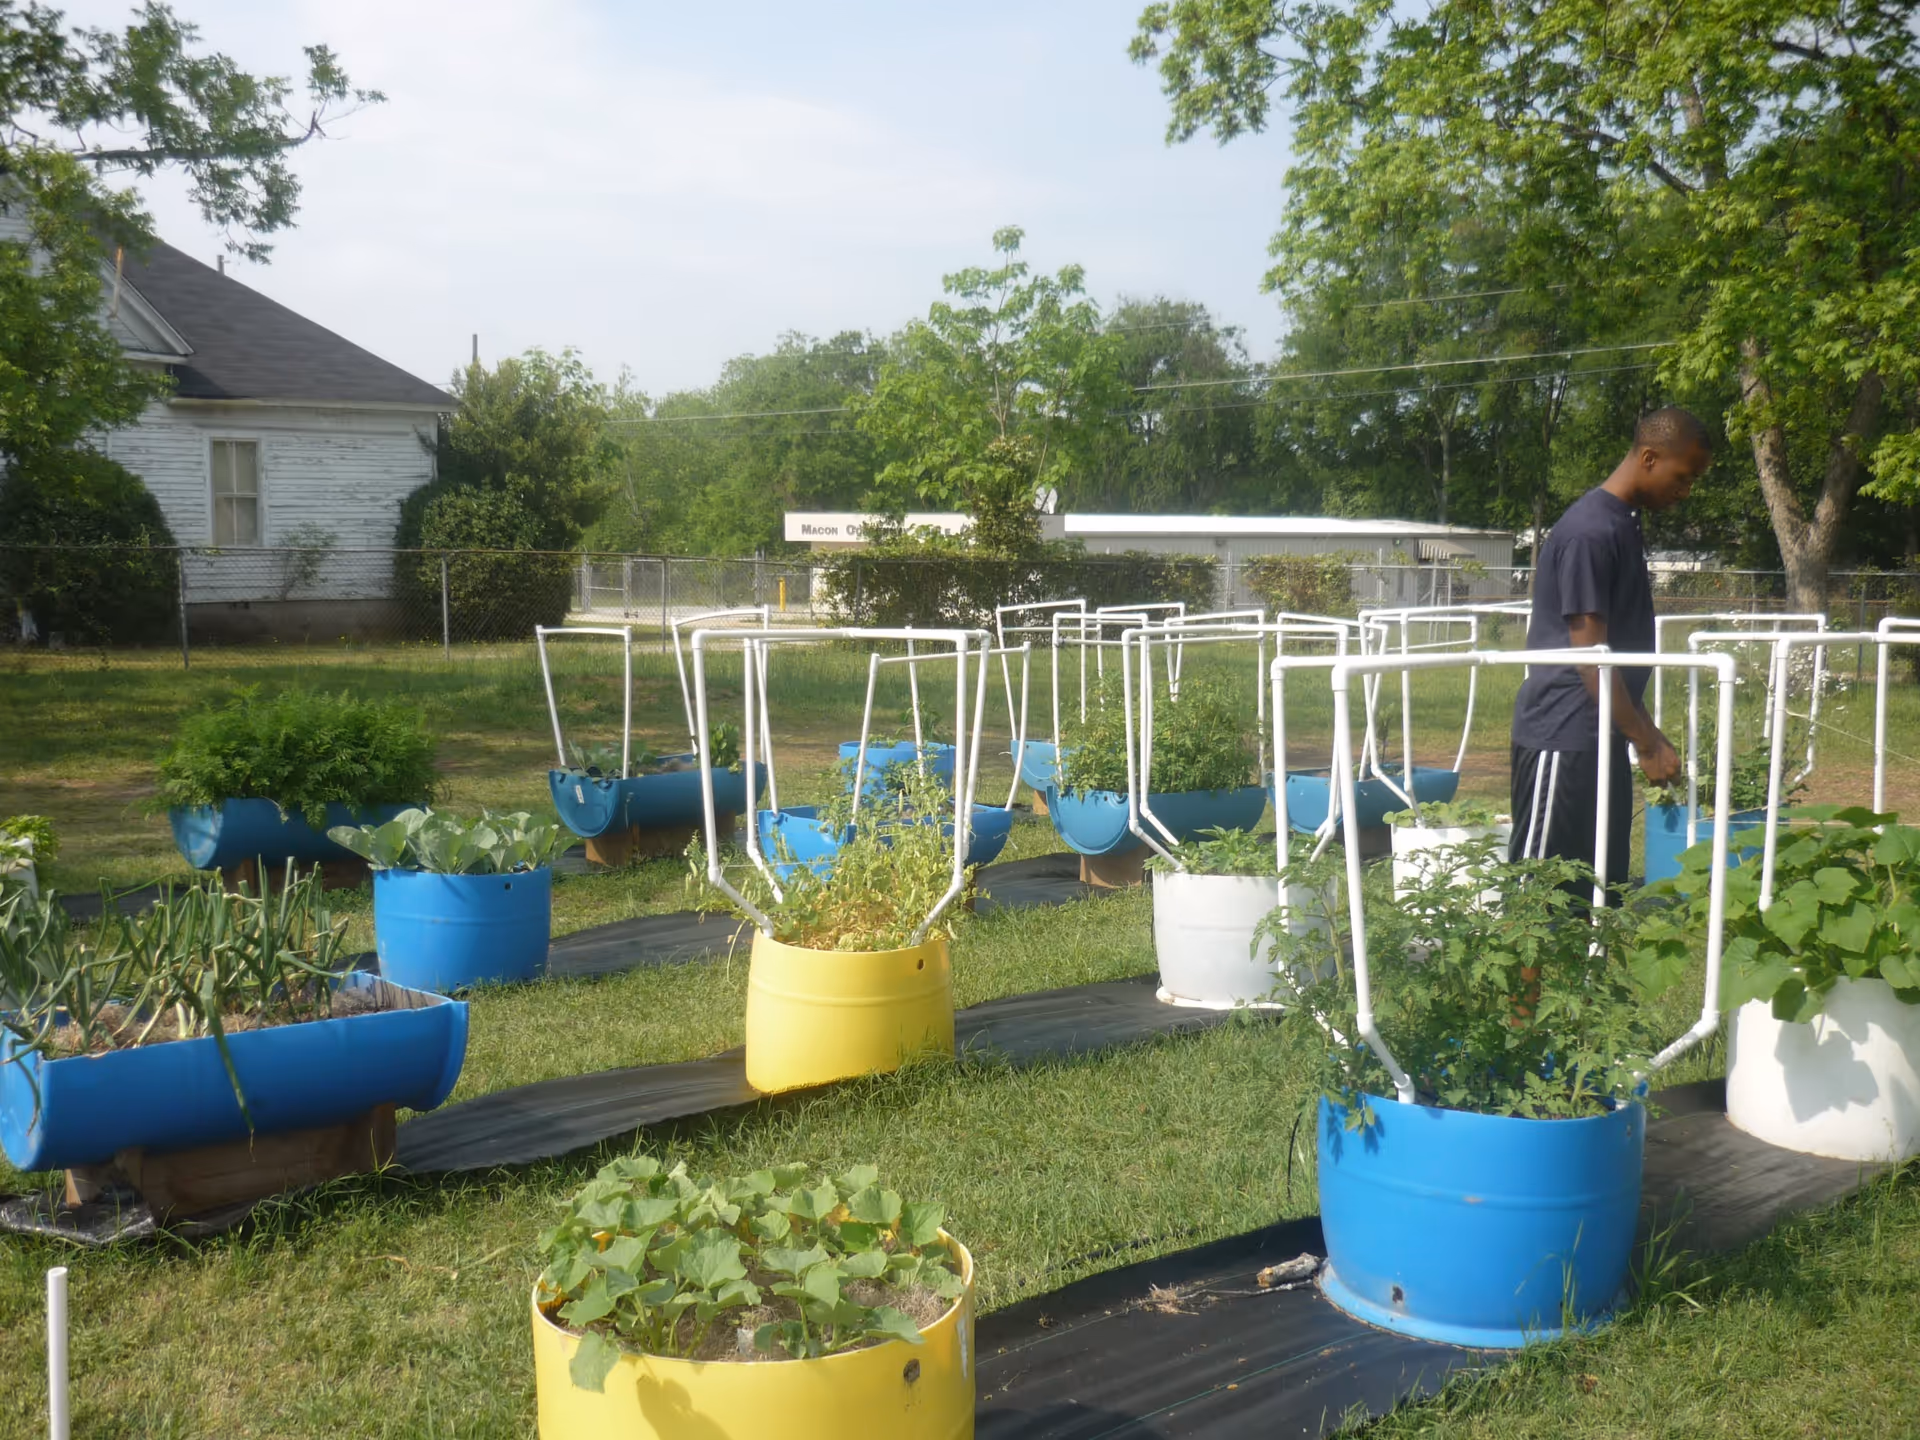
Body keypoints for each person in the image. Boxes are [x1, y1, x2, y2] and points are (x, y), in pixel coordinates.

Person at [1509, 407, 1712, 893]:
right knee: (1538, 903)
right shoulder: (1590, 532)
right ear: (1648, 457)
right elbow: (1591, 656)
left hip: (1601, 736)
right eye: (1682, 478)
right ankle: (1529, 977)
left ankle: (1586, 972)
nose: (1684, 492)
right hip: (1562, 738)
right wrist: (1645, 741)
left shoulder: (1621, 523)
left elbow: (1613, 654)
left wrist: (1646, 730)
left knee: (1599, 891)